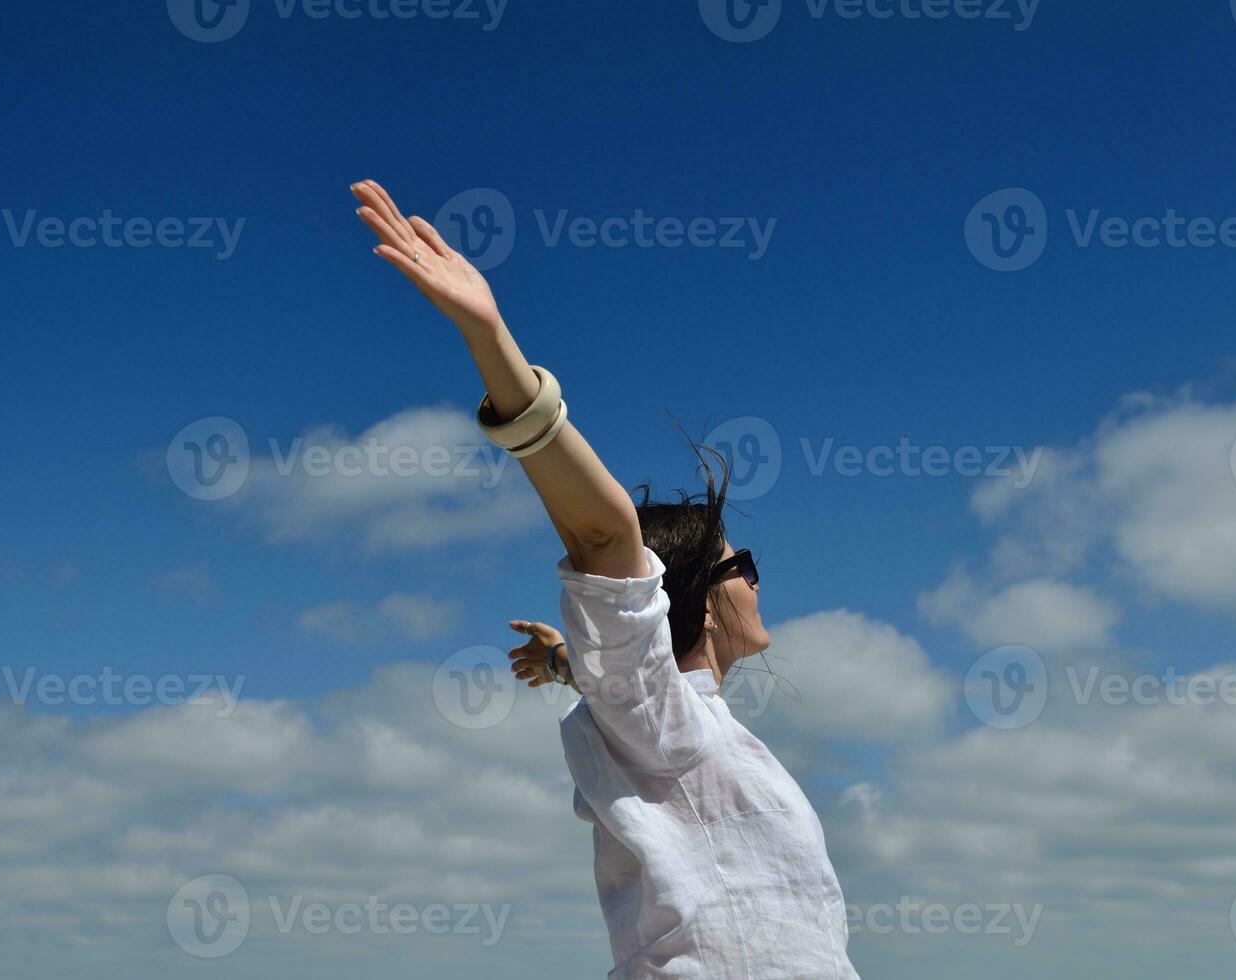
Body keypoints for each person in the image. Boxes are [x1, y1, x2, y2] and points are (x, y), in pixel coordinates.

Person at [352, 179, 859, 979]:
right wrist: (494, 342)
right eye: (743, 566)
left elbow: (627, 674)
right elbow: (601, 532)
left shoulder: (662, 718)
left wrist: (566, 664)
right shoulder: (667, 723)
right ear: (690, 591)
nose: (758, 584)